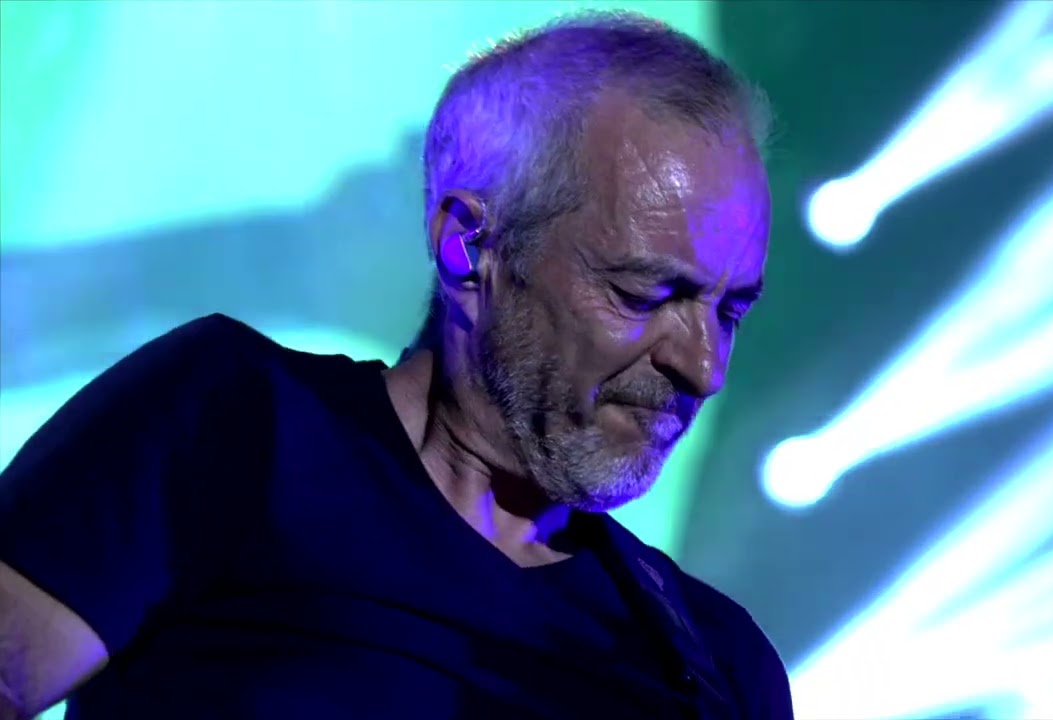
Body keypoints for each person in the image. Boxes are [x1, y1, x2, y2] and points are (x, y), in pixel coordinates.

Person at [0, 10, 789, 720]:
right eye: (644, 293)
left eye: (730, 312)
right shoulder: (233, 425)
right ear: (470, 247)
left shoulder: (719, 663)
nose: (704, 368)